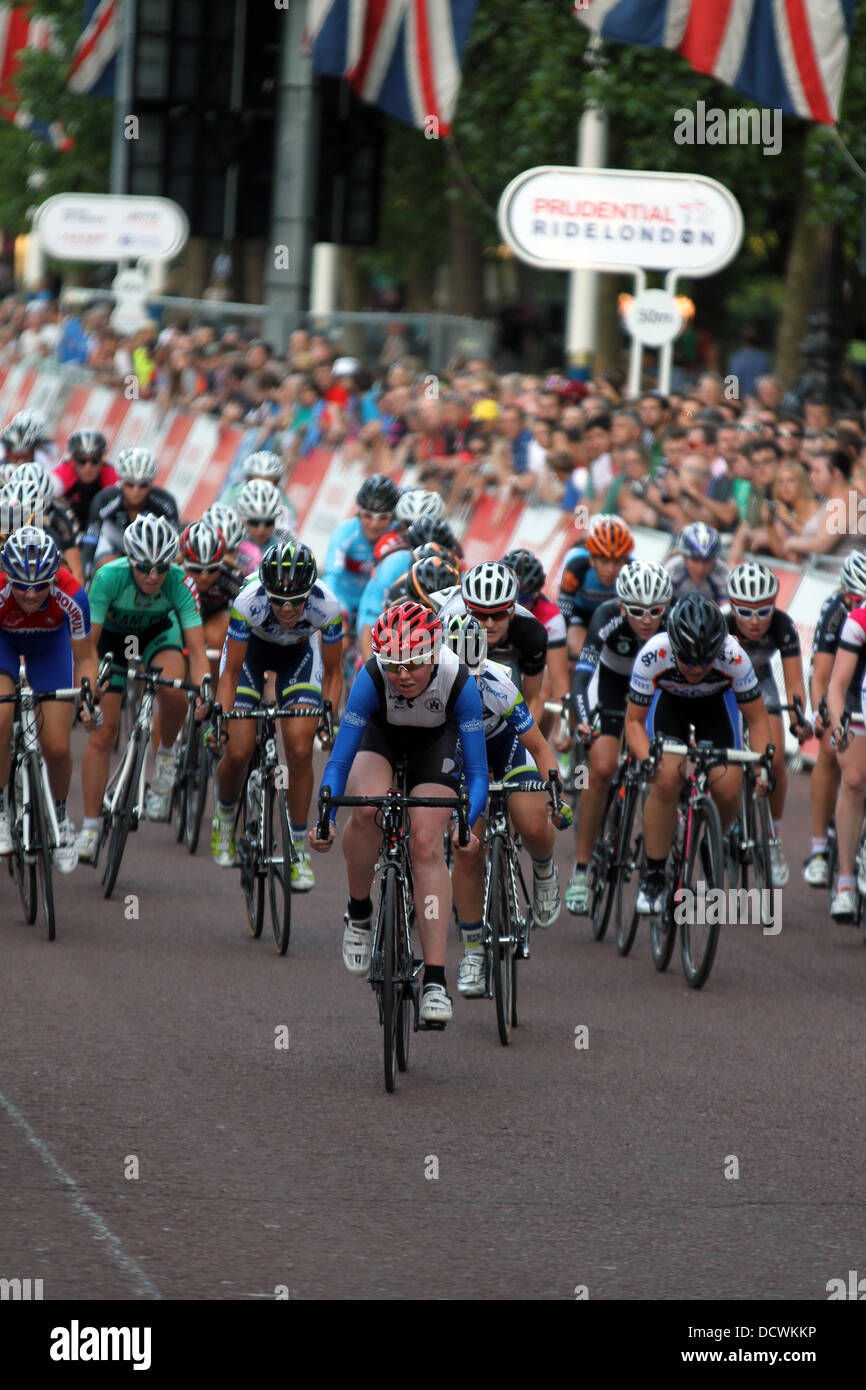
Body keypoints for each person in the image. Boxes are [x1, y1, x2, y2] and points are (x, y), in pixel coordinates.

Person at [309, 600, 488, 1026]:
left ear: (434, 653)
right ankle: (358, 913)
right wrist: (325, 819)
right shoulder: (372, 677)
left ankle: (435, 981)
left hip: (434, 745)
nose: (403, 675)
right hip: (381, 738)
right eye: (393, 665)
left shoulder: (457, 679)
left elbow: (478, 774)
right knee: (368, 806)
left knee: (427, 842)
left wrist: (466, 824)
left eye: (413, 664)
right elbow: (338, 761)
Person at [442, 612, 572, 996]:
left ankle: (545, 870)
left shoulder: (498, 682)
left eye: (473, 674)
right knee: (465, 849)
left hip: (507, 749)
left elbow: (539, 747)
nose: (467, 683)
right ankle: (472, 952)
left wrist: (556, 795)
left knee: (532, 823)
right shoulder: (429, 686)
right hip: (463, 759)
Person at [625, 592, 771, 915]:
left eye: (705, 661)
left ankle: (711, 840)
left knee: (730, 786)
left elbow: (758, 719)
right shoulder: (654, 654)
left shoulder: (733, 656)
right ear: (673, 647)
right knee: (666, 777)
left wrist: (762, 769)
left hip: (714, 710)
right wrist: (648, 759)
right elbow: (634, 723)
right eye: (688, 660)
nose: (696, 668)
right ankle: (653, 874)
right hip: (670, 708)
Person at [211, 542, 343, 891]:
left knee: (300, 751)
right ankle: (224, 819)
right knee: (237, 750)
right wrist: (220, 720)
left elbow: (333, 672)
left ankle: (298, 850)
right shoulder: (247, 602)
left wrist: (327, 719)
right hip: (251, 657)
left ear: (310, 592)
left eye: (296, 601)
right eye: (278, 600)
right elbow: (231, 671)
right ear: (265, 591)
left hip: (298, 659)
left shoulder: (327, 606)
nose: (287, 609)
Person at [77, 515, 210, 857]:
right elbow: (88, 647)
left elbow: (196, 651)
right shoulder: (108, 576)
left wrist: (204, 692)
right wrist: (88, 691)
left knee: (174, 690)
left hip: (157, 637)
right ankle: (90, 828)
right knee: (103, 734)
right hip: (112, 642)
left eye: (160, 567)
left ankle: (165, 755)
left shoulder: (181, 582)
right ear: (130, 561)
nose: (153, 575)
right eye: (144, 567)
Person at [565, 561, 673, 914]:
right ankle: (581, 870)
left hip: (657, 691)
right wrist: (583, 721)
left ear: (667, 607)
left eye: (655, 611)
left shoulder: (674, 625)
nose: (646, 619)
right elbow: (582, 679)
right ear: (622, 606)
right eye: (637, 611)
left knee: (665, 770)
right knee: (600, 768)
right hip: (612, 686)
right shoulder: (606, 617)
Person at [0, 526, 98, 872]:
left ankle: (59, 816)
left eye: (40, 585)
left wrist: (87, 699)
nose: (29, 594)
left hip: (49, 649)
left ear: (53, 579)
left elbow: (86, 658)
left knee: (57, 747)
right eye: (21, 585)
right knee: (1, 714)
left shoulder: (72, 594)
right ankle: (1, 806)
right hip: (4, 644)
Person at [724, 562, 809, 886]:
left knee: (774, 759)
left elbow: (794, 685)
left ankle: (772, 841)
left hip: (759, 681)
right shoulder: (722, 624)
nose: (755, 621)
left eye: (764, 611)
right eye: (745, 612)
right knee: (725, 753)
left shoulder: (783, 626)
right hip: (726, 682)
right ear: (733, 607)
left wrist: (798, 719)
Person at [804, 552, 866, 889]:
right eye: (858, 599)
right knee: (829, 746)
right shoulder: (835, 611)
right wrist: (821, 712)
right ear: (847, 595)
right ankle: (817, 849)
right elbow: (823, 677)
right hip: (841, 679)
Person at [81, 447, 179, 578]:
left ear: (151, 484)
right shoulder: (104, 499)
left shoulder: (166, 503)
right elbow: (91, 541)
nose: (136, 491)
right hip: (114, 542)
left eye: (143, 485)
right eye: (130, 484)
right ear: (120, 482)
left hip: (148, 550)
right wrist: (85, 575)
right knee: (106, 566)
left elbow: (174, 545)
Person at [558, 514, 635, 660]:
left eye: (618, 562)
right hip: (579, 613)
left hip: (612, 617)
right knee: (580, 654)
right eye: (604, 561)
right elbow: (563, 611)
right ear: (592, 559)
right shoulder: (576, 564)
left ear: (626, 560)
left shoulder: (633, 570)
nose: (611, 569)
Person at [179, 521, 245, 683]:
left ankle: (214, 690)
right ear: (184, 562)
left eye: (212, 569)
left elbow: (250, 612)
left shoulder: (231, 578)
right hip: (181, 618)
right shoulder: (174, 574)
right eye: (196, 569)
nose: (204, 576)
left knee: (216, 636)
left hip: (214, 619)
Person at [52, 431, 117, 531]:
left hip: (101, 527)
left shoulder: (111, 474)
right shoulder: (61, 474)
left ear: (102, 460)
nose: (88, 467)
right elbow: (38, 501)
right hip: (68, 528)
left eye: (94, 461)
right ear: (72, 460)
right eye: (82, 461)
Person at [664, 522, 728, 602]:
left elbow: (726, 606)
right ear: (684, 557)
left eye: (707, 561)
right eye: (695, 559)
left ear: (714, 559)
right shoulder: (672, 569)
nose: (700, 568)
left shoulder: (722, 572)